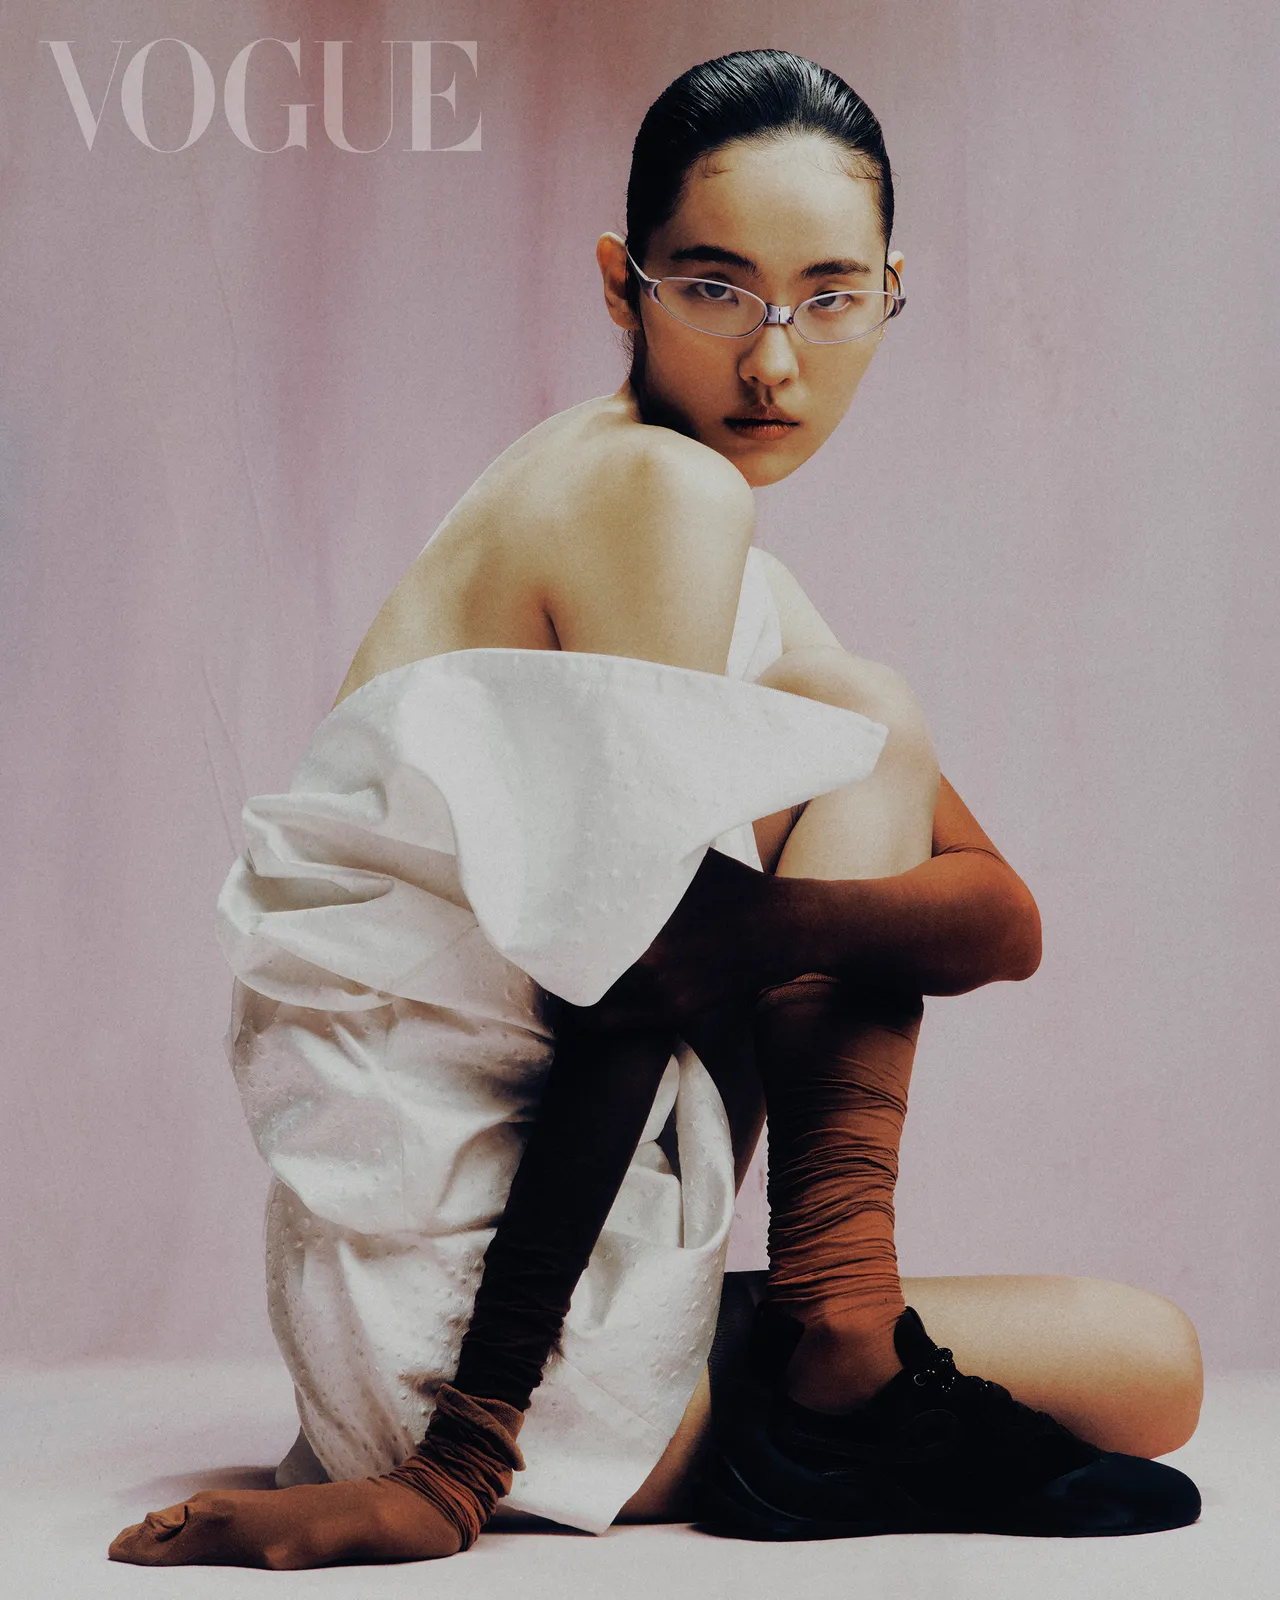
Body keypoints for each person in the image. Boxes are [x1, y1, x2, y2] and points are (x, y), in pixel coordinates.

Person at [109, 50, 1203, 1569]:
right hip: (482, 1362)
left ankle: (838, 1340)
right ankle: (831, 1361)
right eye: (715, 289)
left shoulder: (726, 565)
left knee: (1152, 1365)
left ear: (893, 293)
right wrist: (456, 1465)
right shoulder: (655, 495)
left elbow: (998, 920)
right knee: (861, 713)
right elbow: (624, 997)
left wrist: (753, 930)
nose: (774, 362)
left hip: (524, 1296)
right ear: (621, 284)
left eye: (829, 296)